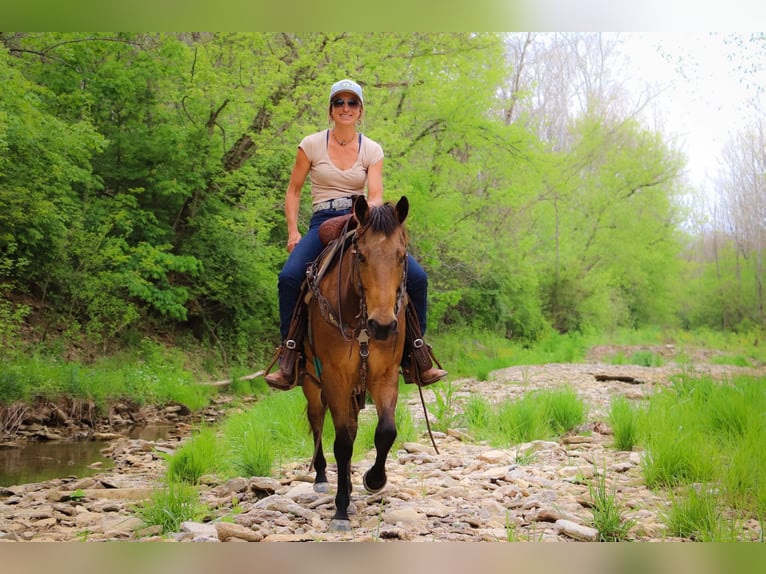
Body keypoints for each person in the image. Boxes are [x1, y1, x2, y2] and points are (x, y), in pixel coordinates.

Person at [265, 79, 447, 390]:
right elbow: (293, 191)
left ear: (360, 111)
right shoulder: (310, 145)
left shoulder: (372, 149)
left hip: (362, 219)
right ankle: (290, 353)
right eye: (339, 102)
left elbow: (375, 195)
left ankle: (415, 353)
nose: (345, 108)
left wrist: (363, 216)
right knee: (290, 277)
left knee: (417, 278)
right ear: (331, 110)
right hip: (323, 221)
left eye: (352, 103)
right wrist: (293, 230)